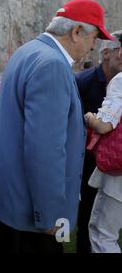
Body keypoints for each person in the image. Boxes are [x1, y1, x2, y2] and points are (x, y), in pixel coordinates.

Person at [0, 0, 114, 253]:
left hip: (9, 197)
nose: (94, 46)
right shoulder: (52, 65)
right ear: (76, 32)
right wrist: (50, 214)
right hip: (29, 207)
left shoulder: (29, 50)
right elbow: (45, 149)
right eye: (94, 37)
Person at [75, 31, 122, 253]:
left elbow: (102, 125)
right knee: (87, 213)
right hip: (89, 162)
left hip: (114, 169)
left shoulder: (119, 82)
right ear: (106, 54)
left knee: (102, 233)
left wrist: (91, 119)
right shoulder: (82, 82)